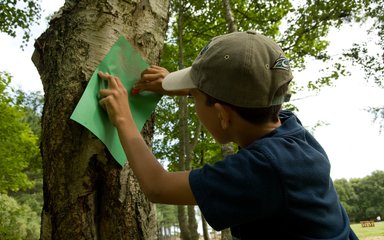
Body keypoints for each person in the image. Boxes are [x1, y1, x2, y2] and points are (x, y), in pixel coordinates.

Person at [98, 31, 358, 239]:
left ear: (223, 114)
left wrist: (123, 118)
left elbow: (158, 186)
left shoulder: (261, 169)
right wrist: (187, 89)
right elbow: (242, 98)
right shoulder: (289, 129)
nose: (192, 97)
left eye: (196, 96)